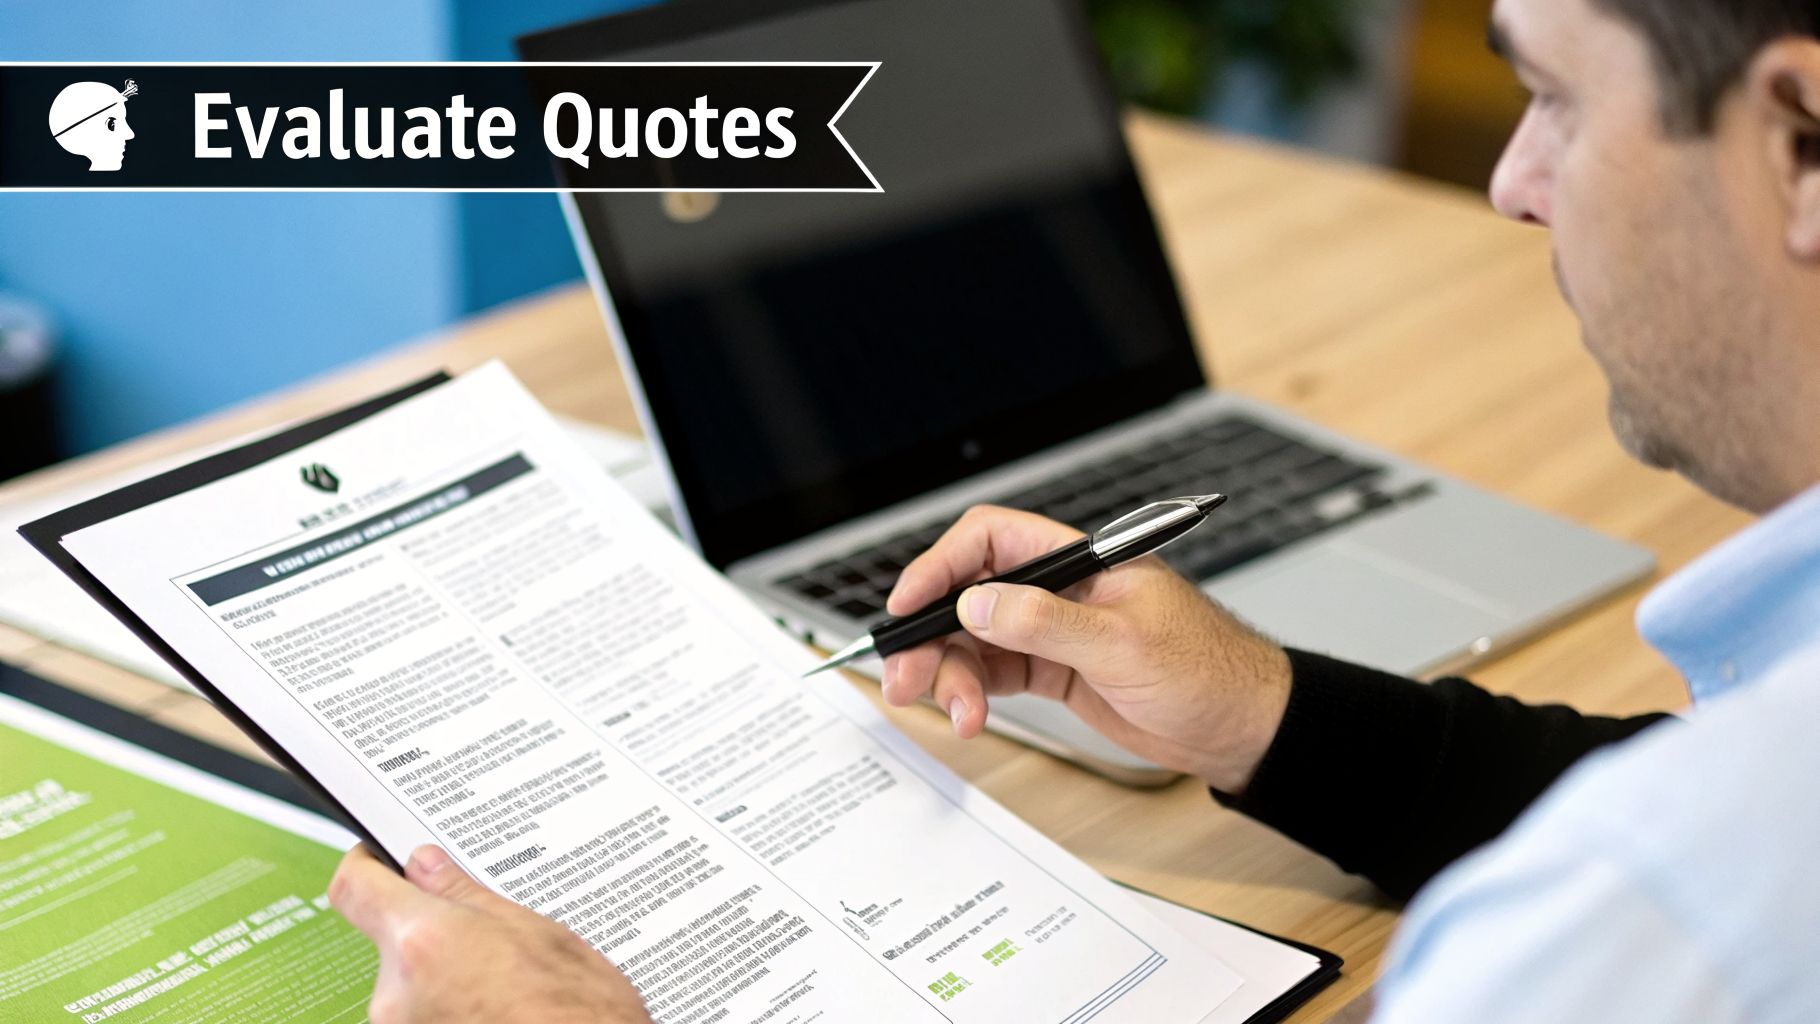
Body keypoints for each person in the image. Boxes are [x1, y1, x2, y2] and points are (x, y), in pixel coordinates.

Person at [328, 0, 1820, 1019]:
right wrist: (1272, 716)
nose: (1511, 182)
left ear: (1803, 141)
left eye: (1553, 94)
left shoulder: (1652, 925)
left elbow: (1679, 857)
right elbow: (1677, 786)